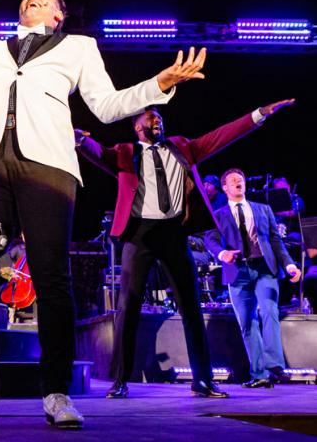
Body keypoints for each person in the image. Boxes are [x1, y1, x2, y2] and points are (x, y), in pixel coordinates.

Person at [0, 0, 206, 428]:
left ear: (59, 15)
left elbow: (106, 104)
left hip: (48, 167)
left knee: (51, 276)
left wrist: (159, 86)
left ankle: (55, 392)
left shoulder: (79, 47)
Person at [76, 99, 293, 400]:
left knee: (191, 307)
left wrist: (258, 115)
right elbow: (98, 152)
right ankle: (120, 380)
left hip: (174, 233)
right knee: (128, 307)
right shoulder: (126, 153)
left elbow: (221, 136)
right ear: (137, 125)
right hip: (140, 235)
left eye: (160, 118)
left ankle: (202, 381)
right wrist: (79, 140)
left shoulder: (181, 147)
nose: (158, 122)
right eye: (151, 118)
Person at [205, 168, 301, 387]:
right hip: (237, 273)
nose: (239, 182)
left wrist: (289, 265)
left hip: (264, 269)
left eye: (241, 179)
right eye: (233, 180)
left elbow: (276, 241)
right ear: (225, 188)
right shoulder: (218, 215)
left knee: (269, 311)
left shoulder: (263, 209)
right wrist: (223, 253)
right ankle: (259, 375)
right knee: (248, 323)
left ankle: (274, 365)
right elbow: (210, 240)